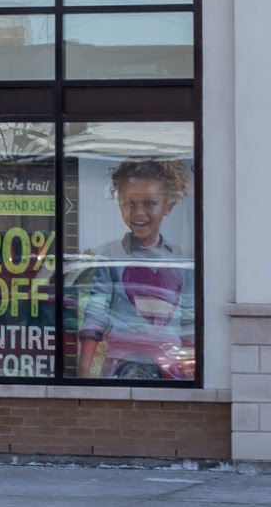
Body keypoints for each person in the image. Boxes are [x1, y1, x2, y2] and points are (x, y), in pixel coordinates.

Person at [75, 159, 194, 380]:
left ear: (168, 206)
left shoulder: (182, 261)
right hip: (119, 364)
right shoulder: (111, 257)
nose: (138, 212)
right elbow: (96, 314)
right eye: (130, 203)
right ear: (120, 205)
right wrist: (84, 370)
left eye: (149, 203)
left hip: (170, 366)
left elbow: (189, 321)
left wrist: (191, 370)